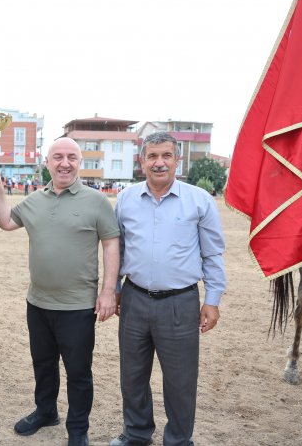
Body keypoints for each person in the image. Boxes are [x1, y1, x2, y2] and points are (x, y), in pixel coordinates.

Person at [0, 137, 120, 446]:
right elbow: (7, 221)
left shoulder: (96, 201)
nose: (64, 163)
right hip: (38, 303)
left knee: (78, 371)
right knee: (43, 364)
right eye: (58, 156)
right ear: (47, 162)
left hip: (77, 306)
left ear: (80, 162)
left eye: (71, 157)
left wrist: (108, 291)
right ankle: (45, 411)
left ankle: (77, 430)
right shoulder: (35, 200)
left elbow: (111, 243)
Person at [110, 132, 226, 446]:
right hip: (134, 298)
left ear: (177, 160)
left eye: (166, 156)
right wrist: (116, 289)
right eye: (152, 156)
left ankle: (177, 439)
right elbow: (117, 249)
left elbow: (212, 253)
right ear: (142, 161)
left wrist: (212, 300)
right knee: (132, 375)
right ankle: (136, 433)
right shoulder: (126, 199)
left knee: (181, 380)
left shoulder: (199, 200)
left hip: (180, 302)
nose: (159, 163)